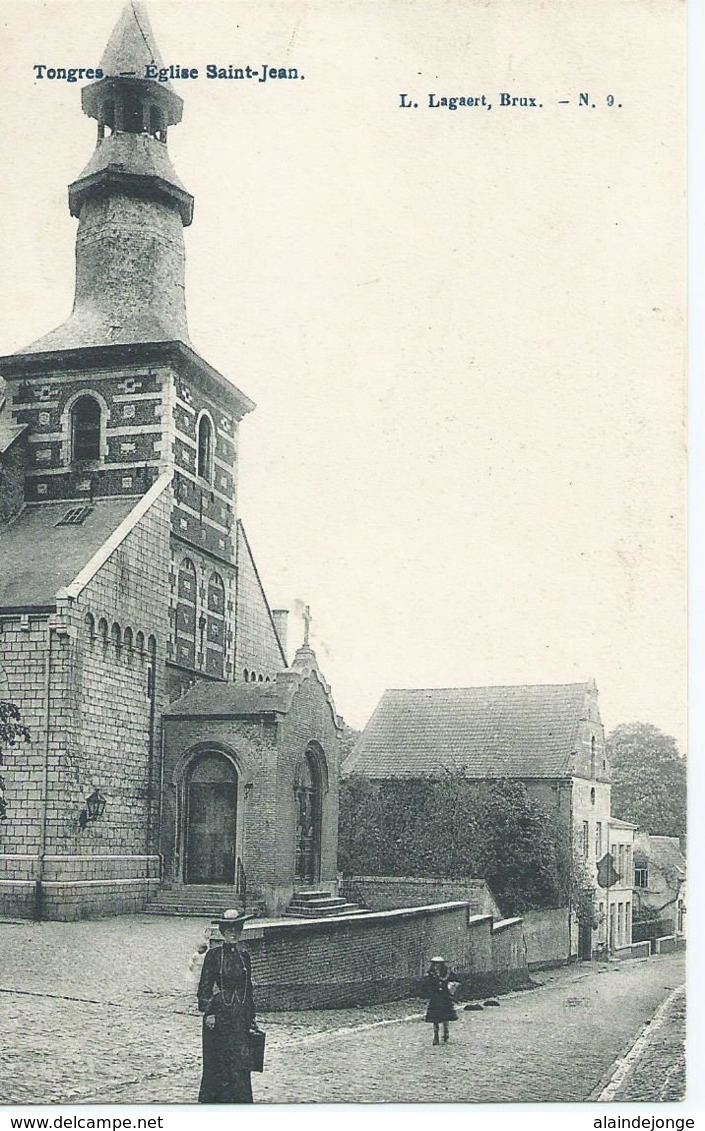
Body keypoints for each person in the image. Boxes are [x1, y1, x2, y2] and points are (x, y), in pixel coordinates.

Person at [197, 908, 258, 1103]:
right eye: (229, 929)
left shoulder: (244, 955)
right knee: (220, 1058)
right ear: (223, 932)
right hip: (220, 1014)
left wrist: (251, 1016)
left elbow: (248, 988)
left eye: (237, 929)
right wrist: (210, 1012)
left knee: (240, 1059)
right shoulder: (214, 956)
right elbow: (204, 988)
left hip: (239, 1014)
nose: (234, 933)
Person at [425, 956, 458, 1045]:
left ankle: (445, 1032)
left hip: (444, 996)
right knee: (435, 1018)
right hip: (435, 998)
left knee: (445, 1016)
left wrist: (451, 987)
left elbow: (454, 981)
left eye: (439, 964)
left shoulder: (448, 973)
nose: (437, 966)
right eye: (435, 964)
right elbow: (428, 985)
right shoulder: (430, 974)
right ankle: (436, 1036)